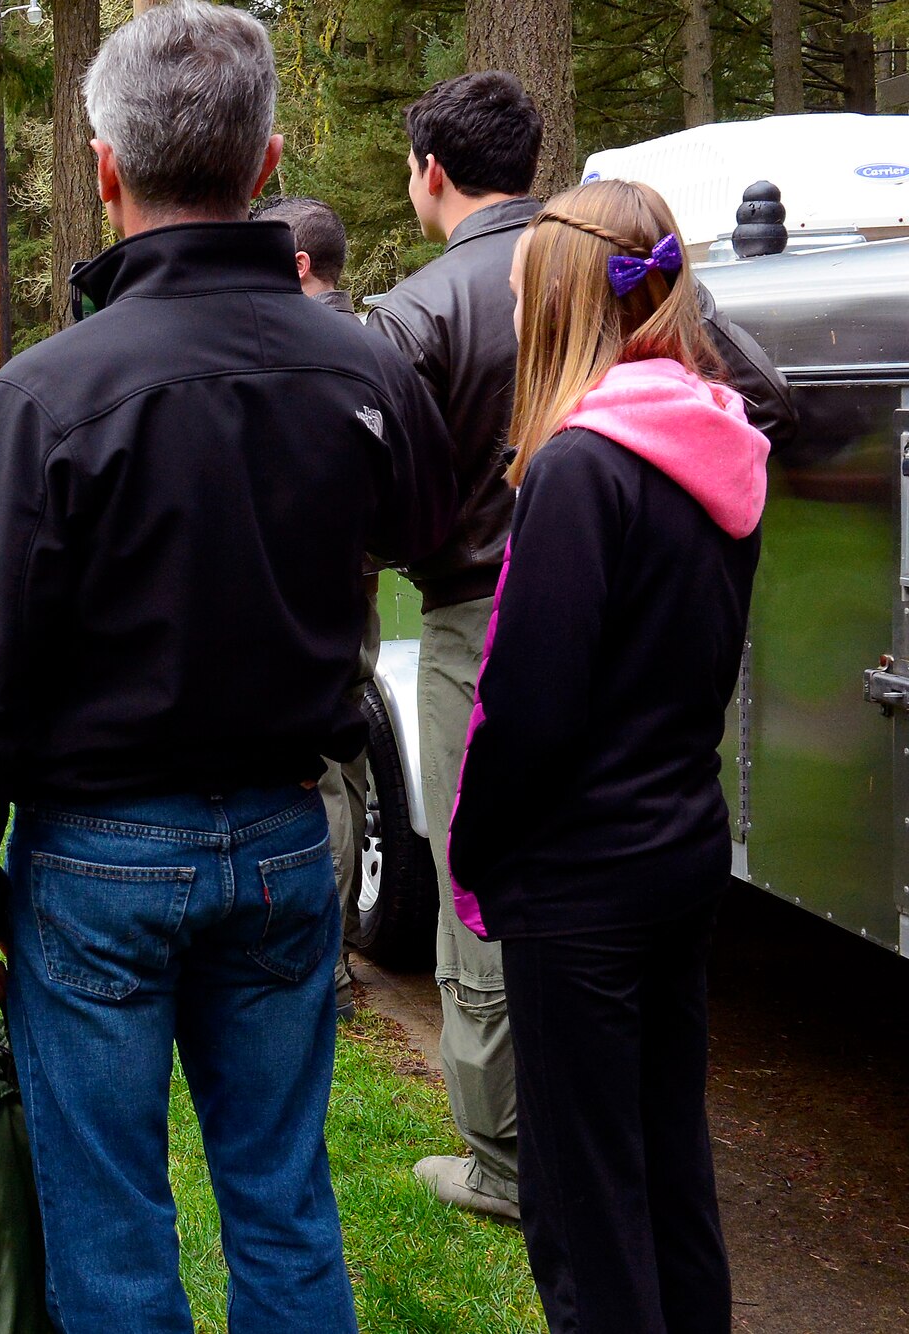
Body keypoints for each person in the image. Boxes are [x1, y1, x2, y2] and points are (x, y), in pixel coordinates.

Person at [0, 5, 457, 1329]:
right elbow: (434, 531)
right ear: (266, 162)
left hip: (105, 860)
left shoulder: (46, 396)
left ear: (107, 170)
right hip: (280, 842)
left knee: (111, 1222)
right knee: (280, 1196)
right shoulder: (361, 370)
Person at [367, 71, 795, 1221]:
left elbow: (377, 504)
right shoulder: (623, 274)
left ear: (429, 172)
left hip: (490, 617)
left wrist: (445, 530)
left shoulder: (422, 316)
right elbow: (762, 395)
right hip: (662, 692)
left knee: (481, 885)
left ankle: (505, 1153)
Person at [450, 179, 766, 1333]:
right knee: (667, 1163)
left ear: (559, 304)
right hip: (676, 849)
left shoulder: (586, 465)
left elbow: (529, 706)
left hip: (579, 881)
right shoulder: (717, 436)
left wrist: (474, 845)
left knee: (584, 1202)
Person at [256, 193, 378, 1021]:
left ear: (299, 266)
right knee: (350, 770)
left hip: (311, 587)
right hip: (355, 585)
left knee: (326, 777)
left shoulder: (308, 349)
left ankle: (325, 956)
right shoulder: (374, 346)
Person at [256, 194, 358, 314]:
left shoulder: (288, 331)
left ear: (298, 266)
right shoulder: (363, 330)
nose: (255, 276)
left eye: (261, 263)